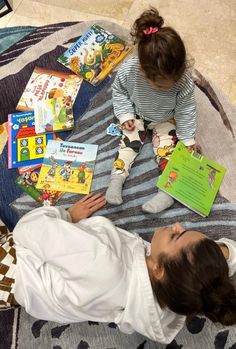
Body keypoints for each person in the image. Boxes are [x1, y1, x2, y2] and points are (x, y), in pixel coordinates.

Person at [0, 193, 236, 344]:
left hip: (13, 266)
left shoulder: (102, 264)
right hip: (29, 291)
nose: (176, 225)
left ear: (159, 269)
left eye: (178, 236)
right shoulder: (177, 294)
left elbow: (27, 229)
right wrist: (218, 256)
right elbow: (226, 259)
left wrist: (66, 215)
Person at [105, 7, 197, 213]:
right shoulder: (130, 69)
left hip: (165, 119)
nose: (169, 86)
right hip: (137, 113)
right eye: (162, 85)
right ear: (144, 71)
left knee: (169, 152)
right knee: (127, 145)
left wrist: (188, 138)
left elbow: (187, 108)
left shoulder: (183, 81)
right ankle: (116, 179)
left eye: (173, 80)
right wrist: (126, 114)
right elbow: (118, 91)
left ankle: (168, 192)